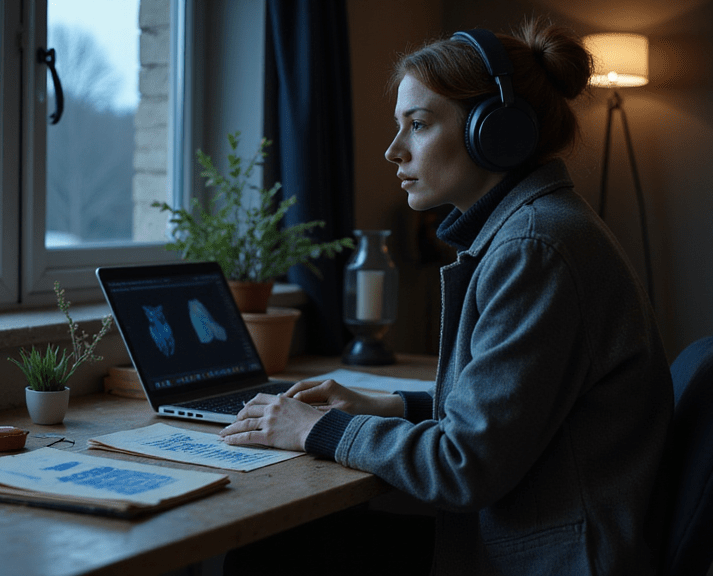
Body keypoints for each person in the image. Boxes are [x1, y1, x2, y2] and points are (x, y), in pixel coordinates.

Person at [221, 18, 673, 576]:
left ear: (496, 132)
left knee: (273, 555)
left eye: (417, 124)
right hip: (524, 539)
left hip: (555, 558)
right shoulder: (531, 230)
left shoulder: (535, 247)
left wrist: (314, 429)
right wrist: (386, 406)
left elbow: (464, 466)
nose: (393, 151)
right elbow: (505, 418)